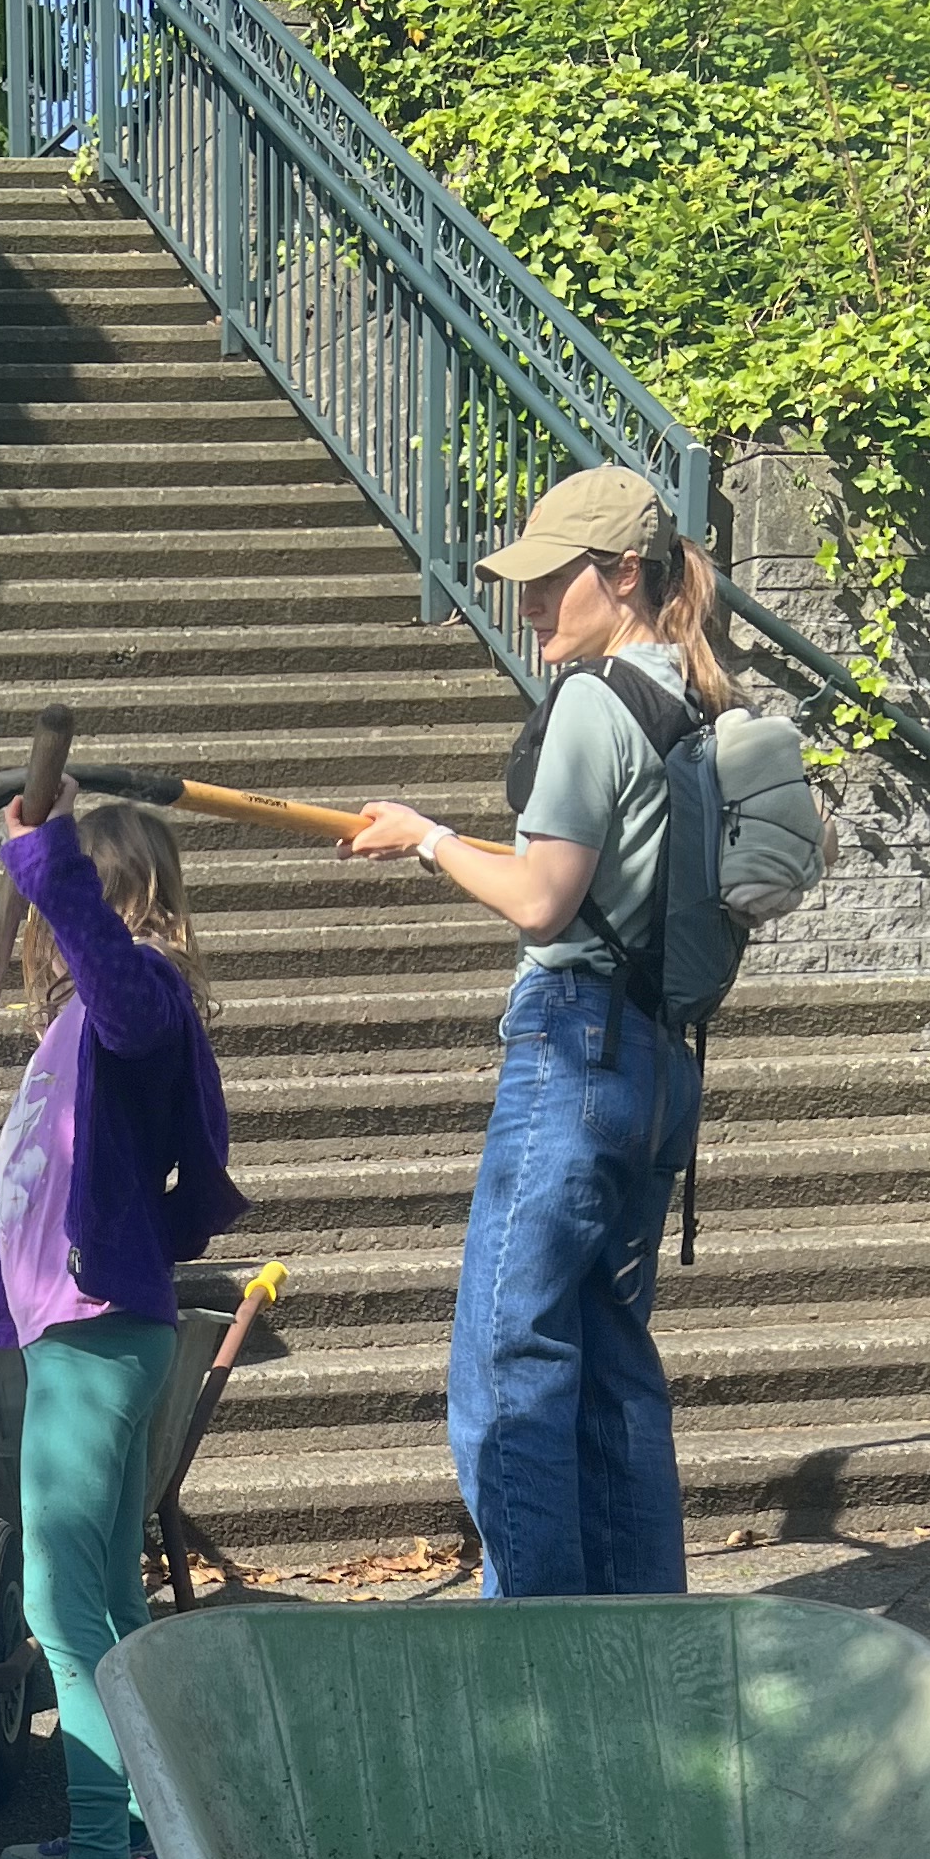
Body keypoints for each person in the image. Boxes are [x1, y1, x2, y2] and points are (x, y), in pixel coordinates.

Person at [341, 460, 735, 1598]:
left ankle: (530, 1651)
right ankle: (641, 1641)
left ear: (623, 576)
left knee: (507, 1362)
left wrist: (426, 839)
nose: (527, 605)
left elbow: (541, 901)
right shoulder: (699, 706)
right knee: (613, 1368)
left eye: (552, 582)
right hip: (660, 1066)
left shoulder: (594, 703)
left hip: (574, 1051)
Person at [0, 787, 240, 1859]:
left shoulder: (140, 998)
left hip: (100, 1340)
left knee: (58, 1612)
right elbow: (19, 1207)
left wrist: (36, 853)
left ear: (97, 902)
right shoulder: (69, 1048)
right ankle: (135, 1832)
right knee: (104, 1598)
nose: (45, 927)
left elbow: (119, 981)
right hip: (84, 1339)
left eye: (60, 903)